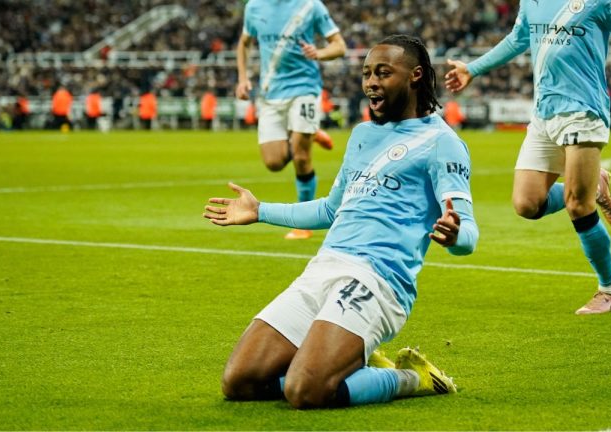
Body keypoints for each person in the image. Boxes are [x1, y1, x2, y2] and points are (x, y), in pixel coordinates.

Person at [203, 35, 478, 409]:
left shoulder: (442, 142)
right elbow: (332, 211)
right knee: (239, 381)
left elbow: (469, 236)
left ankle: (413, 378)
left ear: (415, 76)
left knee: (305, 391)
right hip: (323, 269)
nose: (371, 83)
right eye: (367, 74)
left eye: (383, 73)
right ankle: (350, 363)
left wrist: (456, 234)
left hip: (378, 281)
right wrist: (259, 211)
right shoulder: (363, 135)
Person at [445, 0, 611, 314]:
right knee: (526, 204)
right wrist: (472, 69)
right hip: (544, 115)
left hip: (584, 111)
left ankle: (610, 289)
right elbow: (517, 39)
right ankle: (594, 188)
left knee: (577, 205)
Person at [235, 0, 346, 240]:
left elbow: (339, 46)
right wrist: (242, 78)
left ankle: (303, 225)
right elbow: (243, 44)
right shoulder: (254, 7)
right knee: (273, 162)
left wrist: (320, 53)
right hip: (270, 94)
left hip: (304, 90)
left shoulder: (310, 6)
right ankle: (308, 134)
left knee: (301, 156)